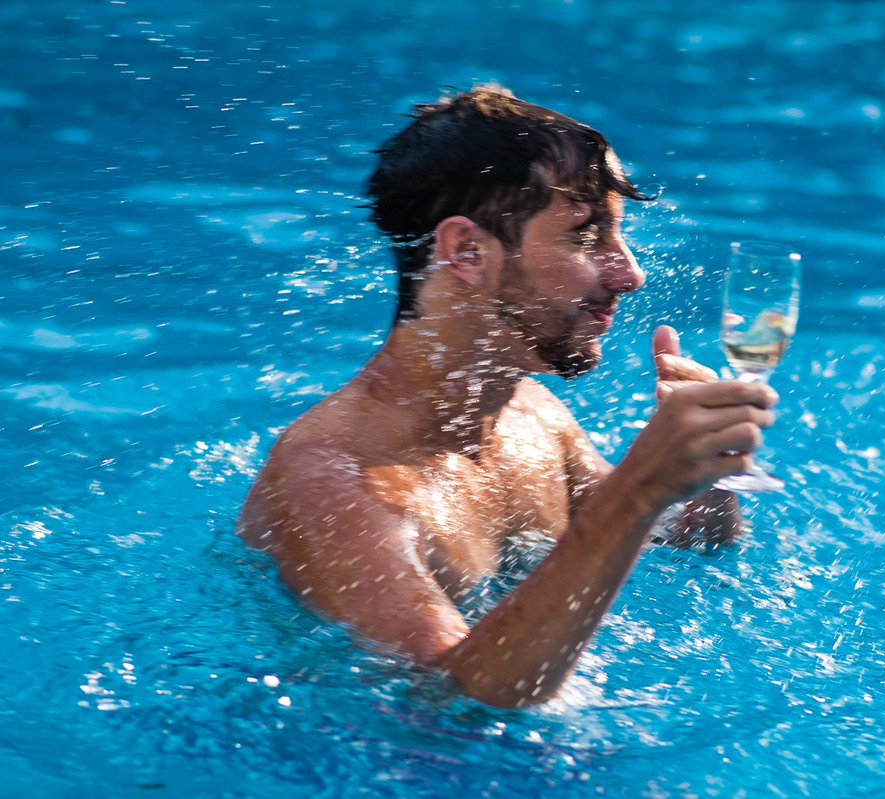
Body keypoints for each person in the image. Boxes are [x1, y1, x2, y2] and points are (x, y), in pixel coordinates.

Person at [238, 85, 777, 708]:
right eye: (586, 237)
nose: (630, 274)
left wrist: (707, 471)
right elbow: (454, 696)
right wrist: (638, 488)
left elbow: (685, 540)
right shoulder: (331, 480)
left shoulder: (532, 418)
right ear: (467, 252)